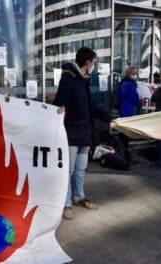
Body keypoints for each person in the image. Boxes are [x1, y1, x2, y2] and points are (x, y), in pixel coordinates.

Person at [53, 47, 111, 220]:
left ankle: (79, 197)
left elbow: (90, 107)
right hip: (71, 134)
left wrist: (110, 118)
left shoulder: (84, 80)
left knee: (80, 169)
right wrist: (61, 108)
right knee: (68, 171)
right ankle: (66, 204)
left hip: (84, 134)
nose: (93, 65)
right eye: (93, 62)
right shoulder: (69, 79)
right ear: (87, 62)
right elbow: (58, 104)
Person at [118, 66, 143, 160]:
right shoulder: (129, 84)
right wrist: (140, 104)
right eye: (134, 73)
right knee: (125, 134)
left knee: (123, 134)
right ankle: (123, 153)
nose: (135, 75)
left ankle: (122, 152)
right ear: (130, 73)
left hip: (124, 110)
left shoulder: (125, 83)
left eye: (136, 73)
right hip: (127, 111)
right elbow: (134, 97)